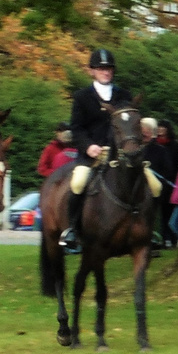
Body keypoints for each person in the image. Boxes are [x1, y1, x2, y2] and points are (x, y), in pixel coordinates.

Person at [59, 48, 141, 250]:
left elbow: (129, 123)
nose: (106, 72)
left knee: (152, 184)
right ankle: (73, 229)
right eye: (101, 68)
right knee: (78, 183)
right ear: (92, 71)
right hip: (92, 154)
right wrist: (88, 147)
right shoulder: (82, 97)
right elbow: (76, 128)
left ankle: (147, 230)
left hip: (120, 153)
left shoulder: (124, 95)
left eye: (109, 68)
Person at [143, 120, 178, 248]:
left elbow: (169, 169)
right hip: (141, 189)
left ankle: (169, 239)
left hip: (162, 188)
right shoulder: (136, 149)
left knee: (166, 214)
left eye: (146, 131)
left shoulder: (161, 150)